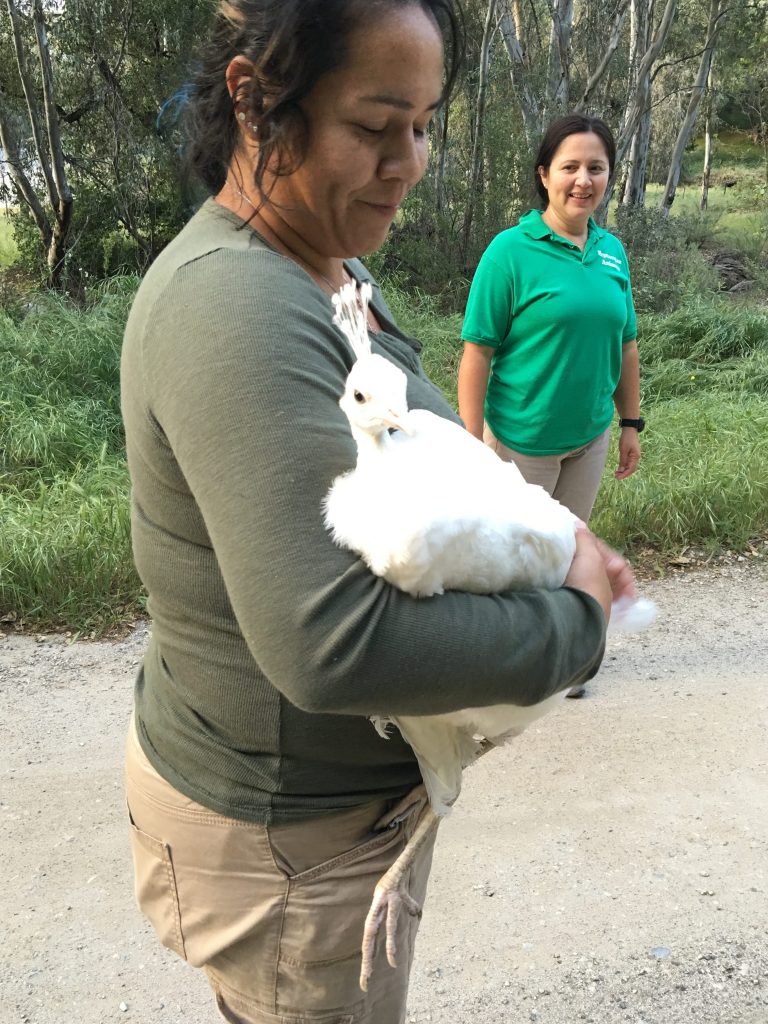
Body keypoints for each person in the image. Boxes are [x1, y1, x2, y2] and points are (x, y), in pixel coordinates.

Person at [121, 8, 629, 1022]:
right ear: (256, 100)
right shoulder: (237, 309)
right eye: (375, 125)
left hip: (323, 825)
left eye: (426, 124)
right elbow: (335, 644)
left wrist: (552, 528)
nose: (409, 162)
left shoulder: (327, 267)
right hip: (291, 847)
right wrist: (575, 625)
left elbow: (425, 424)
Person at [458, 114, 642, 697]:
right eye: (570, 167)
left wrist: (631, 421)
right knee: (518, 559)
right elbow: (477, 353)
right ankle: (507, 663)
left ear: (609, 176)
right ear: (545, 175)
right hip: (519, 440)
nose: (583, 179)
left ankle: (568, 659)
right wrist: (470, 442)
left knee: (572, 548)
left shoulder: (612, 253)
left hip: (589, 435)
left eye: (596, 167)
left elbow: (626, 343)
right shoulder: (510, 252)